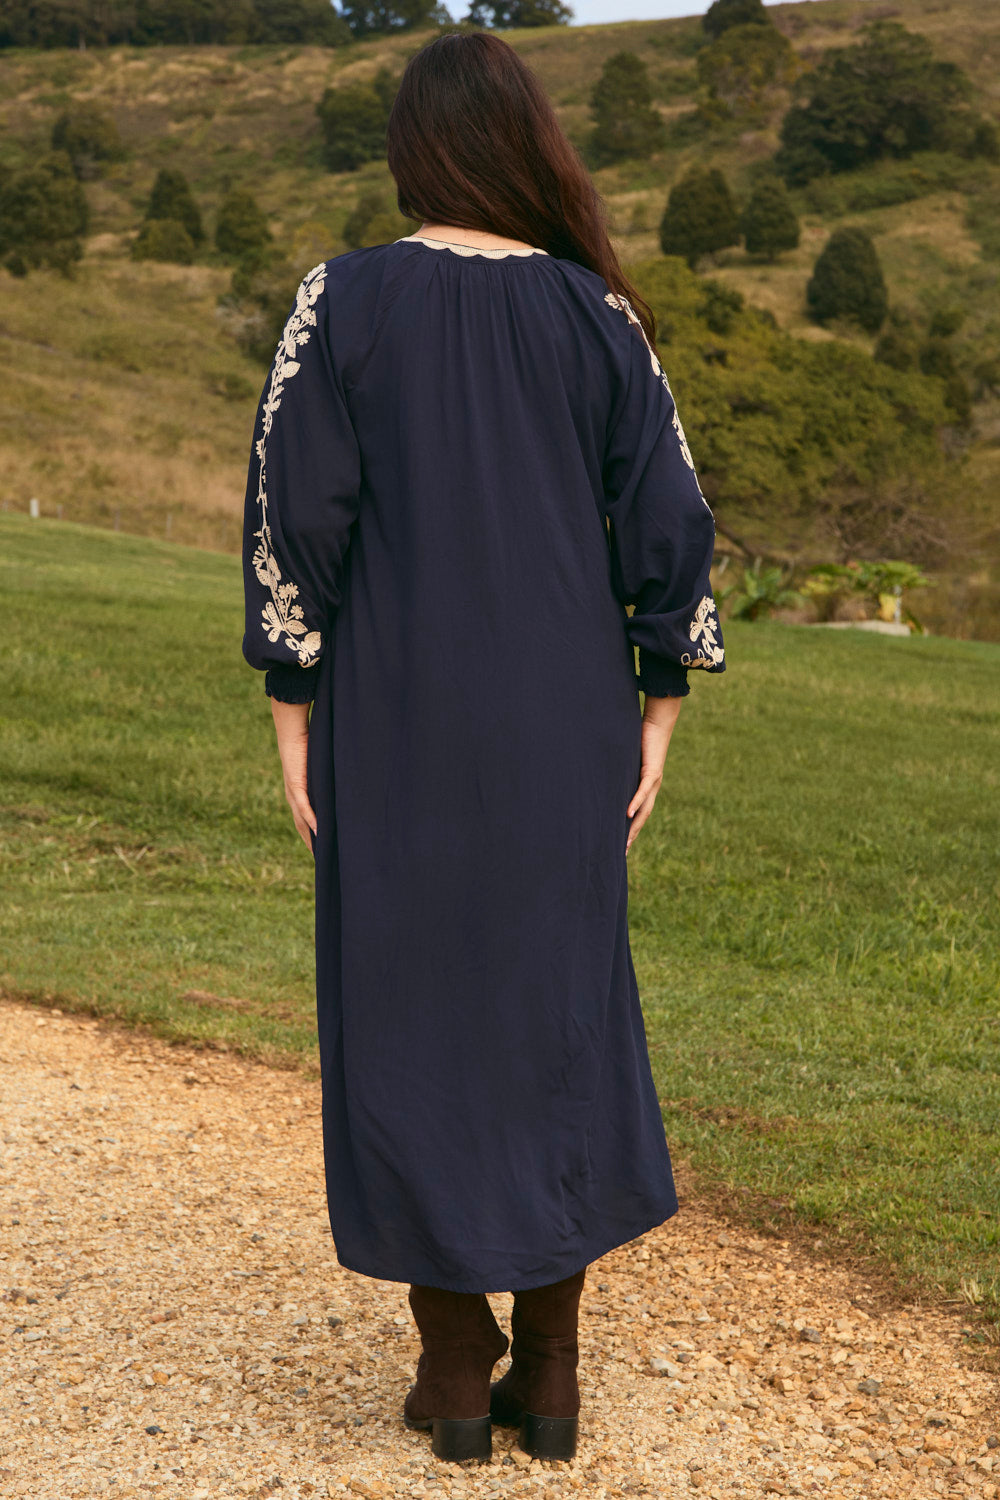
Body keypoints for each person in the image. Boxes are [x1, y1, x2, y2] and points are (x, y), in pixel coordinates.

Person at [240, 30, 726, 1467]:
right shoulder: (599, 314)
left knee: (407, 1017)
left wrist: (292, 705)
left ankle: (458, 1366)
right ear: (528, 144)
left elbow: (294, 516)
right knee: (555, 1016)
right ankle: (551, 1372)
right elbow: (671, 520)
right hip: (564, 725)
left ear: (414, 151)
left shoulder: (344, 300)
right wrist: (658, 701)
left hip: (396, 719)